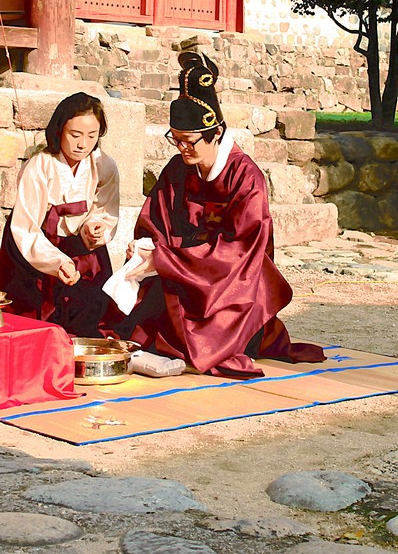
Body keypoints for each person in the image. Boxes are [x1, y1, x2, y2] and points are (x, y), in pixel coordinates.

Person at [105, 52, 325, 377]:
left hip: (233, 281)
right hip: (182, 267)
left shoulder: (246, 177)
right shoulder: (179, 167)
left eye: (189, 142)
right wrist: (145, 248)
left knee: (194, 347)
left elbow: (241, 248)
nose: (181, 149)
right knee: (126, 323)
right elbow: (156, 219)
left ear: (216, 134)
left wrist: (167, 260)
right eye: (175, 140)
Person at [0, 92, 119, 337]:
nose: (82, 144)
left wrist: (95, 227)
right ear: (59, 130)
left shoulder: (104, 166)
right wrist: (56, 261)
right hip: (35, 246)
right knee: (31, 318)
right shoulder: (39, 167)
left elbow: (104, 210)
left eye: (91, 136)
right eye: (75, 135)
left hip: (81, 247)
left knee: (91, 309)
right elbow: (26, 228)